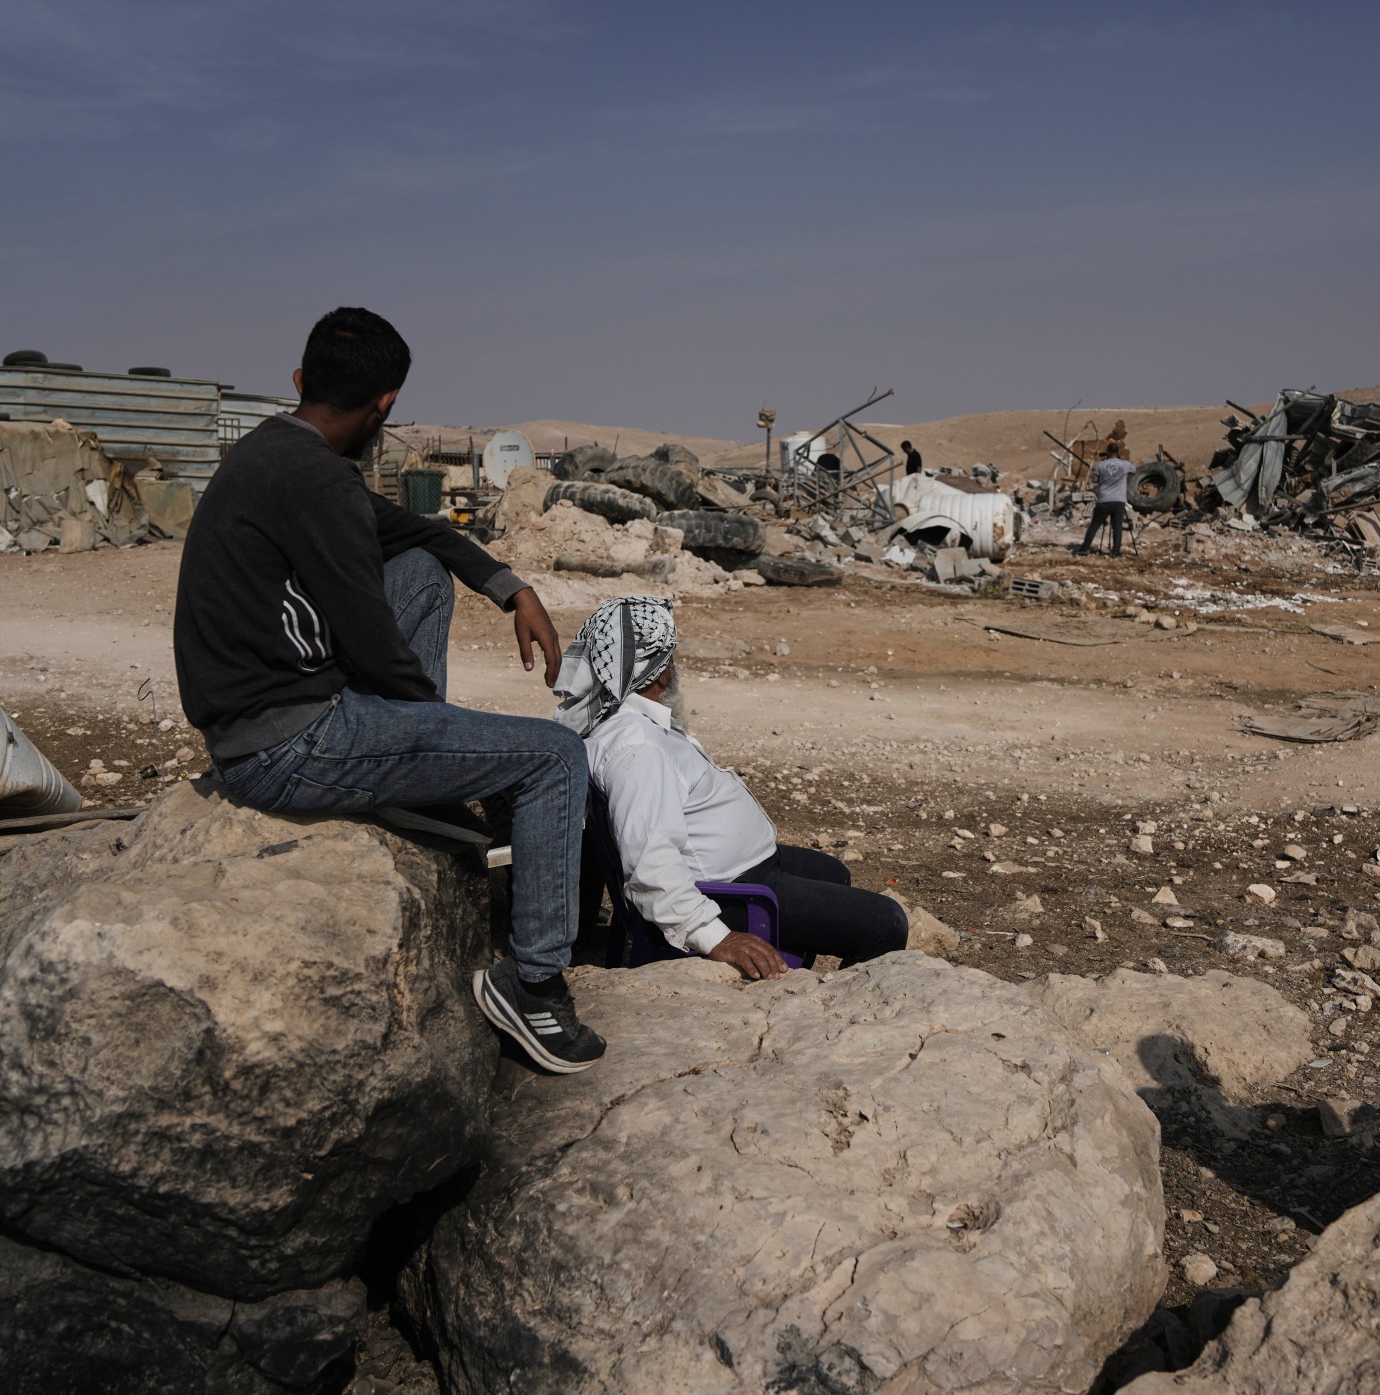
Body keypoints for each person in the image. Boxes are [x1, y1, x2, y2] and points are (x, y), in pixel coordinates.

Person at [174, 307, 605, 1076]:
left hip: (268, 715)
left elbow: (421, 535)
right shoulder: (319, 487)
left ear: (301, 382)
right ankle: (535, 987)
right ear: (386, 407)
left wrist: (514, 589)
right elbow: (375, 649)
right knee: (554, 758)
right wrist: (452, 740)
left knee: (417, 572)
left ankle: (419, 788)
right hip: (289, 744)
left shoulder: (277, 453)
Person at [557, 597, 909, 981]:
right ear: (660, 672)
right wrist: (715, 936)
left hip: (742, 868)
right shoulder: (636, 748)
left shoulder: (628, 724)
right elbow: (650, 860)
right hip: (728, 890)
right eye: (670, 660)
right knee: (886, 923)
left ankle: (793, 963)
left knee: (832, 871)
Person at [1076, 440, 1135, 557]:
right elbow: (1134, 470)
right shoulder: (1125, 464)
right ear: (1117, 452)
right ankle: (1115, 551)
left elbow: (1095, 481)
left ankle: (1085, 548)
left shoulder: (1100, 466)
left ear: (1107, 452)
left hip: (1104, 500)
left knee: (1094, 525)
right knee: (1117, 527)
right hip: (1119, 500)